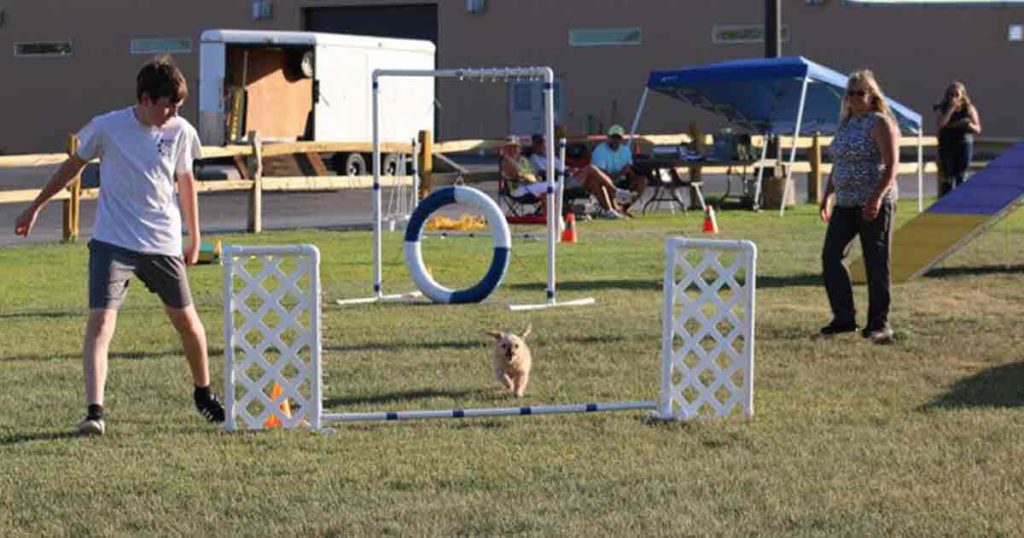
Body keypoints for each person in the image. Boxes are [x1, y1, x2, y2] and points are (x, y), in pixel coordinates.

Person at [14, 57, 225, 435]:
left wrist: (195, 236)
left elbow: (185, 183)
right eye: (169, 106)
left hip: (162, 243)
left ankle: (203, 394)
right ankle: (95, 412)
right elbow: (71, 167)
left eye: (179, 107)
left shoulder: (180, 131)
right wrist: (36, 207)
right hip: (113, 242)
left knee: (187, 323)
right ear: (145, 99)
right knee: (100, 323)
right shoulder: (107, 127)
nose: (174, 114)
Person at [817, 70, 900, 344]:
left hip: (874, 202)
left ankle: (879, 324)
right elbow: (839, 163)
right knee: (831, 257)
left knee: (876, 262)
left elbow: (892, 166)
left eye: (859, 93)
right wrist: (827, 194)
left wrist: (876, 198)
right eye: (849, 93)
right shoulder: (847, 123)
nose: (853, 98)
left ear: (872, 96)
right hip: (845, 202)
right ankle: (844, 318)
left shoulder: (880, 123)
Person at [499, 135, 624, 219]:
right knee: (590, 168)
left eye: (515, 148)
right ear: (535, 145)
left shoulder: (530, 159)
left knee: (593, 181)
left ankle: (610, 210)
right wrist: (564, 172)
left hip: (557, 179)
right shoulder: (532, 159)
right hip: (552, 182)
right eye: (541, 143)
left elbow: (535, 175)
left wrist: (572, 170)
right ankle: (615, 191)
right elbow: (527, 174)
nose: (544, 145)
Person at [935, 81, 982, 197]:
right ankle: (946, 201)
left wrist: (968, 124)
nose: (953, 97)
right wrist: (951, 109)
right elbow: (941, 124)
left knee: (961, 175)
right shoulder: (943, 108)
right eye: (951, 94)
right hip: (947, 144)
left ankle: (961, 202)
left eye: (956, 94)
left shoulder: (969, 108)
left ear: (962, 95)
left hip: (964, 144)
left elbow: (978, 129)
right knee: (948, 176)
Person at [589, 124, 647, 210]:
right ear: (608, 137)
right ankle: (613, 207)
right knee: (603, 182)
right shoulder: (599, 151)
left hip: (621, 178)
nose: (615, 140)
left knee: (642, 181)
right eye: (613, 137)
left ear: (621, 139)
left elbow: (628, 167)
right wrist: (617, 175)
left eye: (618, 138)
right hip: (604, 180)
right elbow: (599, 172)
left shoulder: (625, 150)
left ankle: (624, 208)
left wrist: (628, 175)